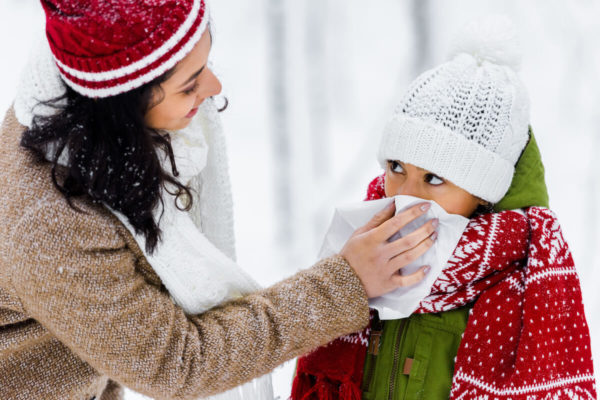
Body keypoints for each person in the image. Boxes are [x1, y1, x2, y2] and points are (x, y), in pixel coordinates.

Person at [0, 1, 437, 399]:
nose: (214, 86)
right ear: (121, 107)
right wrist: (346, 282)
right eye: (190, 86)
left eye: (206, 64)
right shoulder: (54, 224)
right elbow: (178, 363)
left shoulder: (76, 84)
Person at [291, 17, 597, 400]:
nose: (407, 195)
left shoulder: (524, 290)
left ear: (484, 192)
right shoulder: (359, 248)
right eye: (396, 168)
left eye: (434, 178)